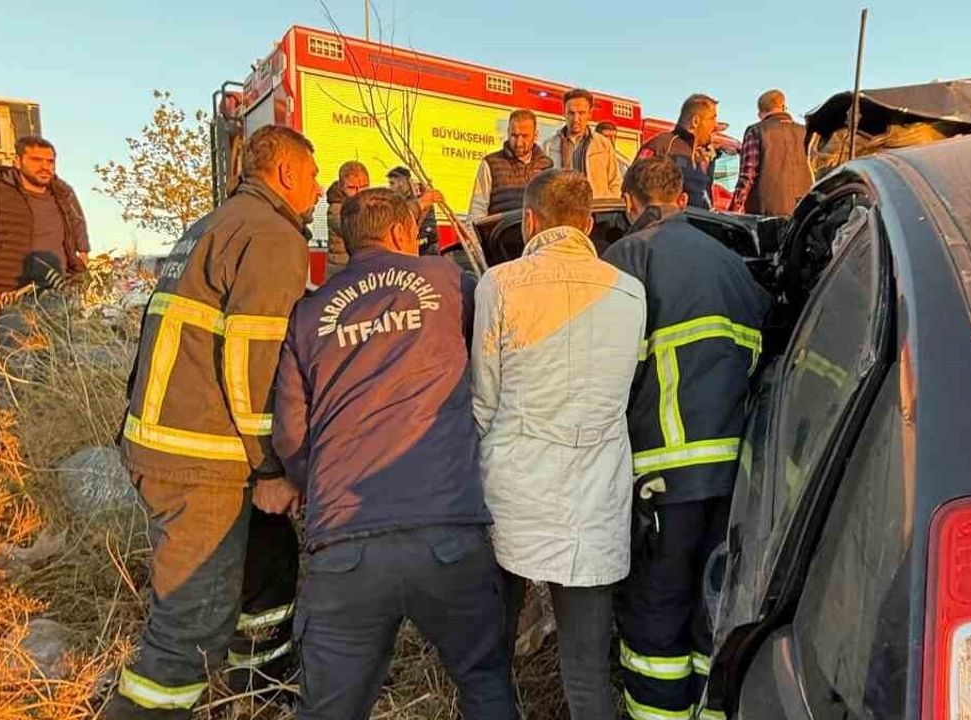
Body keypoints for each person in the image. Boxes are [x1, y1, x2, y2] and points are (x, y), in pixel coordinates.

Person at [272, 188, 516, 720]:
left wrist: (327, 482)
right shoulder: (451, 283)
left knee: (329, 708)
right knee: (484, 682)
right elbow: (504, 359)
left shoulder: (309, 314)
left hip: (345, 542)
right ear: (406, 232)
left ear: (346, 240)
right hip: (446, 529)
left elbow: (290, 437)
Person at [106, 125, 320, 719]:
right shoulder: (273, 236)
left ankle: (261, 694)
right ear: (285, 175)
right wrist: (274, 466)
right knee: (189, 628)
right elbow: (257, 363)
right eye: (313, 173)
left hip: (174, 443)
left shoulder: (214, 223)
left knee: (266, 570)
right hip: (202, 459)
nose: (320, 186)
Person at [471, 170, 645, 720]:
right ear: (588, 223)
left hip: (514, 485)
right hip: (595, 493)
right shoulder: (630, 290)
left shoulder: (499, 284)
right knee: (587, 667)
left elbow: (483, 397)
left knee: (491, 649)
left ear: (529, 221)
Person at [602, 156, 771, 720]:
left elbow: (605, 368)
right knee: (714, 598)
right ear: (682, 197)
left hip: (664, 471)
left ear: (631, 202)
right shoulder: (731, 262)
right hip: (739, 470)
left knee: (658, 601)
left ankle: (657, 714)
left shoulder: (628, 256)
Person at [0, 136, 89, 304]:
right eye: (36, 160)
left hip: (58, 295)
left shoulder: (62, 194)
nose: (45, 167)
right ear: (17, 161)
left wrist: (82, 258)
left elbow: (77, 225)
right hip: (11, 294)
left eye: (50, 162)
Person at [728, 89, 814, 215]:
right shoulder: (805, 132)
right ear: (784, 107)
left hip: (765, 213)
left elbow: (748, 174)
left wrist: (734, 208)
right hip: (802, 213)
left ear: (760, 113)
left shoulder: (756, 131)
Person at [467, 109, 554, 223]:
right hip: (501, 235)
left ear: (535, 135)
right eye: (514, 135)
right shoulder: (491, 163)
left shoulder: (547, 166)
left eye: (524, 136)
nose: (518, 142)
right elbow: (477, 209)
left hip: (534, 238)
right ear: (508, 132)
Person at [637, 94, 720, 209]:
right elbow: (633, 188)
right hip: (666, 225)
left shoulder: (703, 156)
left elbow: (705, 199)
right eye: (712, 118)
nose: (716, 125)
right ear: (695, 121)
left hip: (699, 225)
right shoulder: (660, 146)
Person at [541, 88, 622, 199]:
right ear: (564, 113)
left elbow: (615, 181)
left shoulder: (603, 144)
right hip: (564, 211)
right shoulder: (549, 145)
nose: (576, 118)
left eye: (581, 113)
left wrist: (608, 206)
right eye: (571, 113)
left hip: (597, 210)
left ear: (589, 114)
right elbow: (545, 184)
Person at [325, 161, 369, 278]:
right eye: (351, 187)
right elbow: (351, 229)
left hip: (356, 266)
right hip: (340, 269)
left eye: (363, 187)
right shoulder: (336, 208)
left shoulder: (364, 204)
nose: (358, 192)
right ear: (341, 187)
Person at [386, 166, 438, 254]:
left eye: (392, 183)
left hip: (426, 255)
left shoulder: (422, 201)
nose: (389, 188)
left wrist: (411, 245)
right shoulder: (397, 202)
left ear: (402, 183)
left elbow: (430, 234)